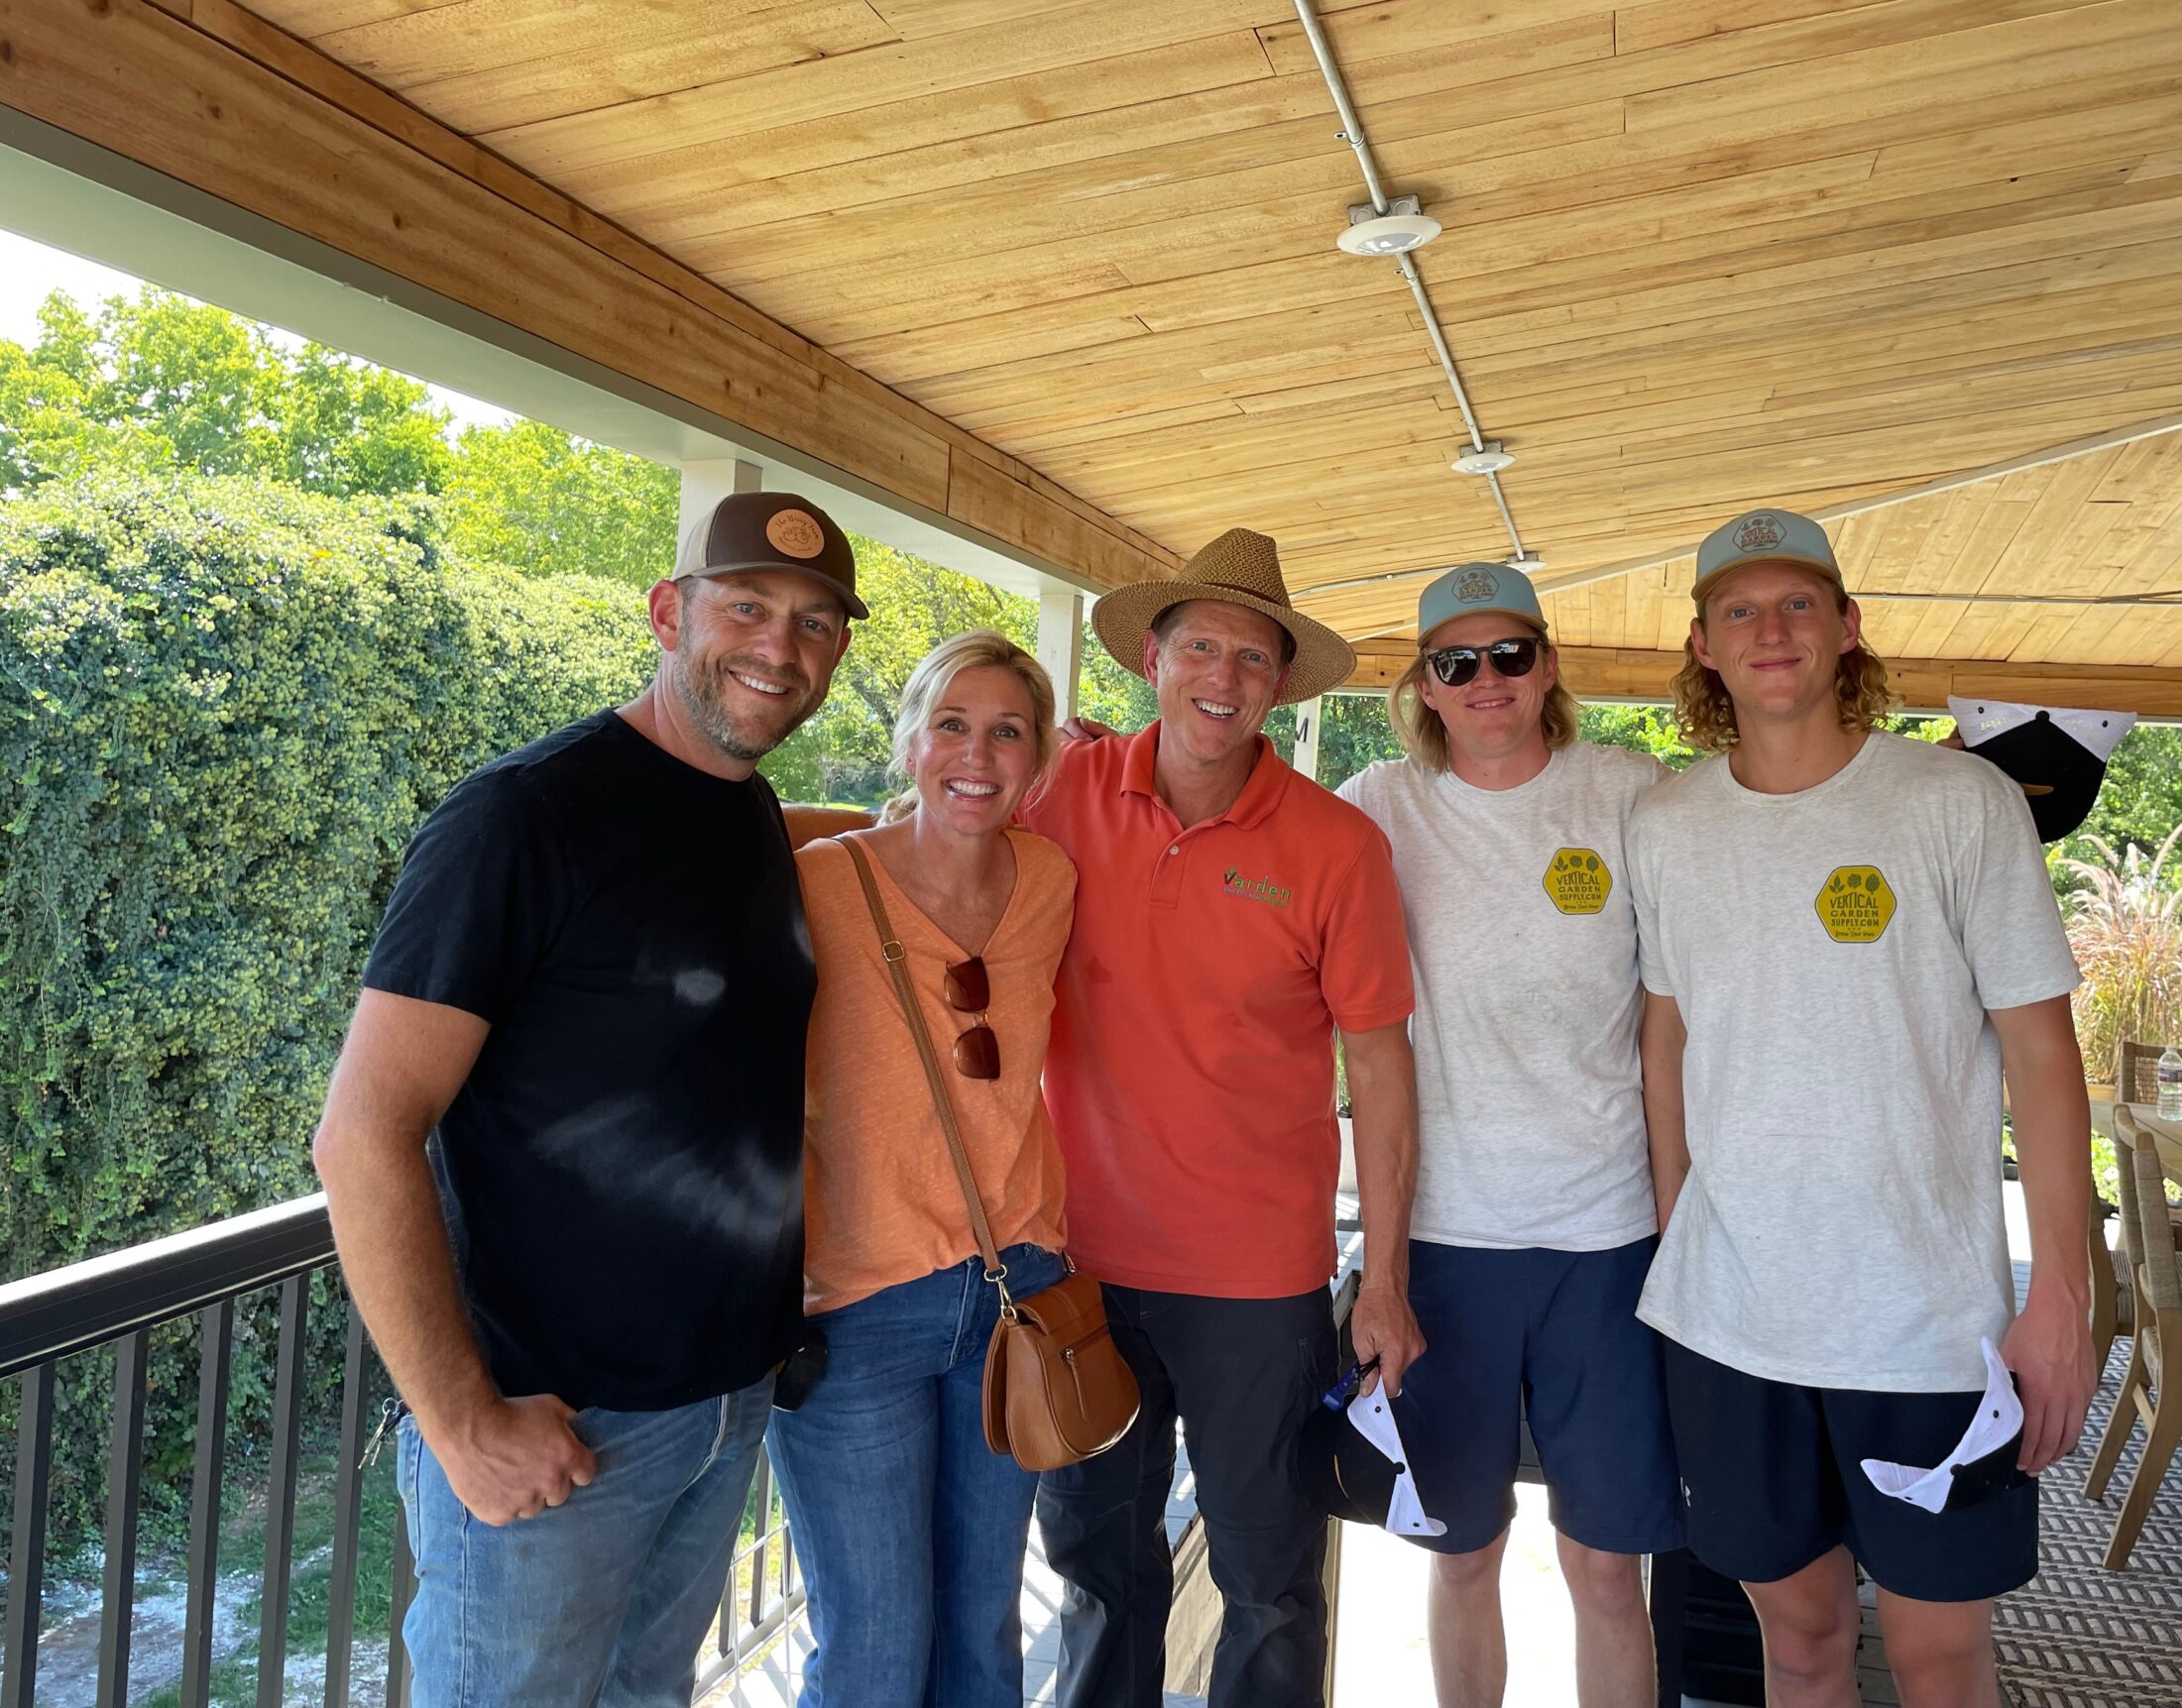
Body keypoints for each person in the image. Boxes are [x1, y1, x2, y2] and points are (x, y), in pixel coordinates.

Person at [311, 491, 861, 1707]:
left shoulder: (752, 813)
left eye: (817, 623)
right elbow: (361, 1134)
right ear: (669, 614)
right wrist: (460, 1423)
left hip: (722, 1407)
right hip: (560, 1432)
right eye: (748, 608)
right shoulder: (523, 815)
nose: (782, 647)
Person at [1628, 509, 2095, 1708]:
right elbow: (1668, 1029)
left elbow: (2043, 1055)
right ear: (1701, 646)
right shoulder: (1665, 823)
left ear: (1846, 627)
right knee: (1799, 1646)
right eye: (1739, 610)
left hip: (1927, 1323)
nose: (1768, 628)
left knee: (1941, 1658)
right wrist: (1684, 1220)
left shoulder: (1957, 803)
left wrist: (2057, 1301)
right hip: (1730, 1321)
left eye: (1795, 603)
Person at [1022, 526, 1422, 1708]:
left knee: (1269, 1579)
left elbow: (1383, 1075)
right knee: (1098, 1564)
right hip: (1076, 1266)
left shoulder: (1337, 847)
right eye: (1202, 646)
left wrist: (1385, 1278)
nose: (1224, 678)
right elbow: (935, 857)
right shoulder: (1055, 791)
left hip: (1256, 1279)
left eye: (1253, 660)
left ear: (1278, 683)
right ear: (1153, 656)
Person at [1333, 563, 1683, 1708]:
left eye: (1509, 656)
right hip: (1444, 1239)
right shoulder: (1380, 804)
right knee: (1462, 1547)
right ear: (1422, 688)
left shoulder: (1633, 793)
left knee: (1604, 1562)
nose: (1485, 681)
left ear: (1547, 669)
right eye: (1455, 663)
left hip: (1608, 1233)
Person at [773, 630, 1076, 1708]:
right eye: (951, 723)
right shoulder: (819, 882)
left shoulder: (1050, 879)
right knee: (873, 1648)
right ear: (907, 741)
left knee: (982, 1631)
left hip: (1013, 1297)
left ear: (1038, 759)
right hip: (853, 1306)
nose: (977, 754)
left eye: (1007, 732)